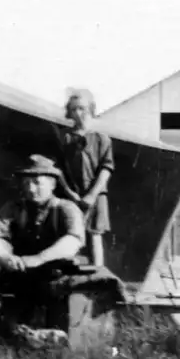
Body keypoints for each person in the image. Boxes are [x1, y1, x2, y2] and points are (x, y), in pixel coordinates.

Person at [0, 154, 88, 331]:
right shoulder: (15, 207)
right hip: (21, 273)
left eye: (37, 183)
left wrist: (39, 258)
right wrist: (3, 255)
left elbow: (73, 241)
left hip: (55, 274)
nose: (30, 188)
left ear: (52, 184)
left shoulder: (66, 208)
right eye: (26, 182)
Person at [63, 88, 114, 267]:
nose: (78, 113)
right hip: (73, 195)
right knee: (71, 232)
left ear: (91, 109)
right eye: (74, 109)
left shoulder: (102, 139)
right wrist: (70, 194)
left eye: (82, 108)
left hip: (97, 195)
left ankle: (98, 274)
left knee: (95, 234)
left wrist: (92, 195)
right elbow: (59, 170)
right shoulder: (65, 138)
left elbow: (106, 169)